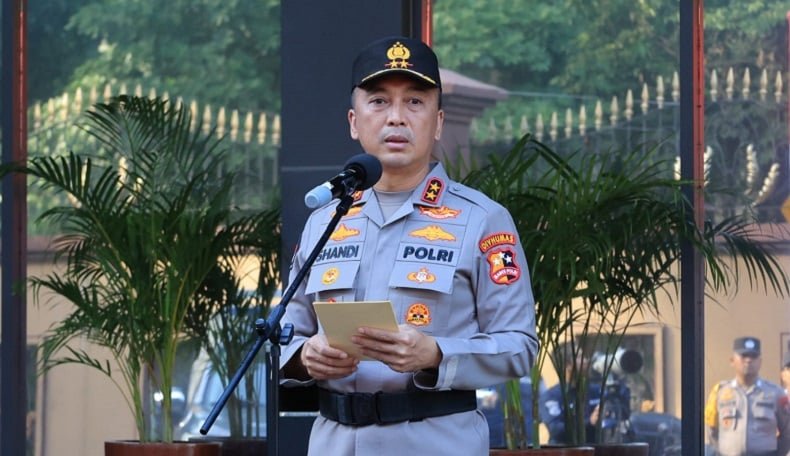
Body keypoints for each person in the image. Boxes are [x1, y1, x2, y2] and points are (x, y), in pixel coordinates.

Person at [278, 36, 538, 455]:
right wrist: (304, 357)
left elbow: (519, 345)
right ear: (353, 121)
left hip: (435, 440)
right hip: (334, 442)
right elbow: (283, 333)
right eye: (379, 102)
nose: (396, 118)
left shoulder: (482, 220)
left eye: (414, 102)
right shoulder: (324, 221)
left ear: (437, 123)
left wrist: (436, 353)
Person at [704, 336, 790, 456]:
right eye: (743, 356)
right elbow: (712, 430)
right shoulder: (719, 392)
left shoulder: (775, 394)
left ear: (760, 362)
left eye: (753, 356)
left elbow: (787, 433)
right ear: (732, 360)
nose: (748, 360)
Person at [540, 345, 632, 444]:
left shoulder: (597, 391)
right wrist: (590, 422)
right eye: (580, 357)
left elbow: (624, 413)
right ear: (567, 365)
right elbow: (556, 429)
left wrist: (618, 384)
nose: (586, 360)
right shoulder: (552, 397)